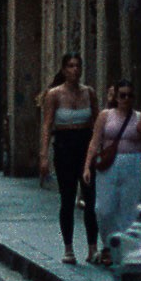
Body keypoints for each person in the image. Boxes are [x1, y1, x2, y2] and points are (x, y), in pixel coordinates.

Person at [39, 53, 99, 257]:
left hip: (85, 145)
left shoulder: (89, 93)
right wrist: (44, 155)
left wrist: (98, 150)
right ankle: (68, 248)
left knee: (90, 198)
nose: (75, 70)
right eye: (70, 66)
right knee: (67, 198)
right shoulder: (54, 95)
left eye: (78, 66)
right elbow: (47, 125)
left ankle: (92, 247)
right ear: (64, 70)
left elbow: (97, 123)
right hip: (64, 146)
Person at [87, 79, 141, 257]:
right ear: (116, 96)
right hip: (109, 165)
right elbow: (94, 141)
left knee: (129, 208)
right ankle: (108, 242)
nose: (126, 99)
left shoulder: (139, 117)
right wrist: (87, 166)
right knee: (104, 208)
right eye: (122, 95)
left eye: (130, 95)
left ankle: (123, 248)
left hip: (134, 163)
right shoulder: (106, 115)